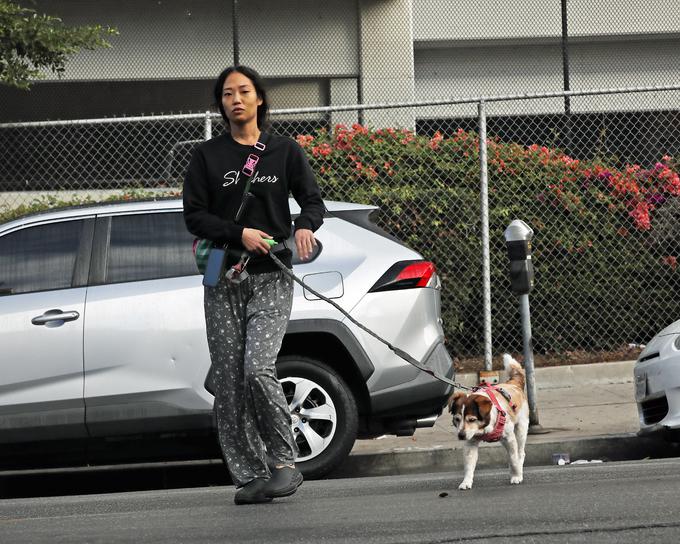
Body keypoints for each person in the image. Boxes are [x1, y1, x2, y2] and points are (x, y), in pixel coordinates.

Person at [183, 65, 325, 505]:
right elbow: (194, 216)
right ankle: (249, 475)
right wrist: (237, 233)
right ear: (221, 103)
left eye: (244, 91)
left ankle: (284, 463)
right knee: (228, 383)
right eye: (228, 93)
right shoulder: (207, 157)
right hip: (222, 279)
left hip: (271, 278)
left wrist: (305, 226)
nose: (236, 99)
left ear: (259, 99)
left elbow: (313, 201)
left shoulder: (283, 151)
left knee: (256, 368)